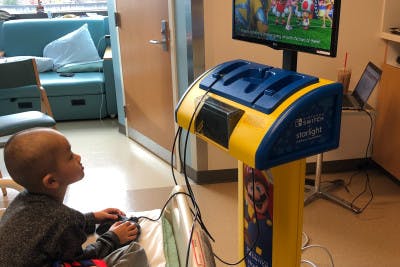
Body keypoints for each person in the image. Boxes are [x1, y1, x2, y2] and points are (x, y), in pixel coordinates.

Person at [0, 128, 148, 267]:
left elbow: (48, 228)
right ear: (51, 181)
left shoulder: (20, 200)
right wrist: (113, 237)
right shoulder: (64, 218)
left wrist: (92, 218)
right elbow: (81, 260)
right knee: (136, 254)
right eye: (70, 156)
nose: (78, 157)